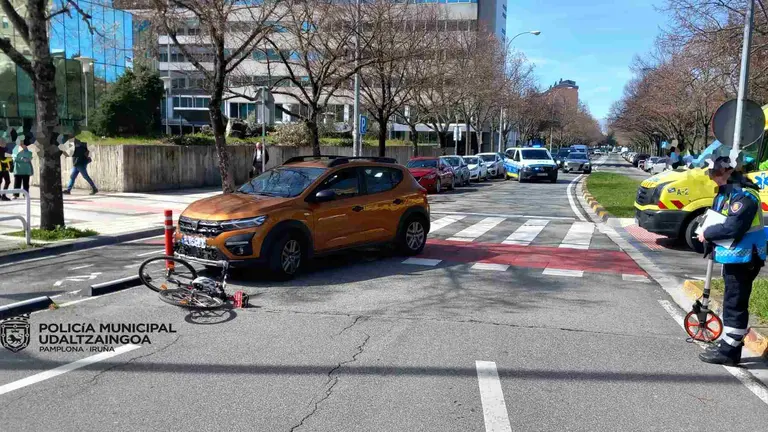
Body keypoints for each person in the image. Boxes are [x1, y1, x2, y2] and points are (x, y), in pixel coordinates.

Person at [697, 156, 766, 366]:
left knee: (735, 304)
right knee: (731, 302)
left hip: (745, 257)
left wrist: (708, 232)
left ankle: (731, 351)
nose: (712, 179)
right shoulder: (729, 192)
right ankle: (728, 343)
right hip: (735, 255)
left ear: (727, 172)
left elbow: (734, 227)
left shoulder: (744, 196)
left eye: (715, 174)